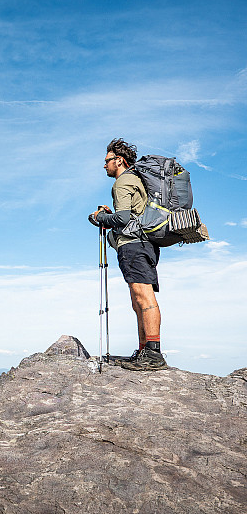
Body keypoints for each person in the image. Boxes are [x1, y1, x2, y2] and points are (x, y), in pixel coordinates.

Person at [90, 139, 167, 371]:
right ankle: (145, 350)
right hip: (143, 244)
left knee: (142, 296)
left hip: (134, 246)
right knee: (138, 299)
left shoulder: (123, 182)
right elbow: (129, 216)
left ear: (119, 161)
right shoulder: (133, 181)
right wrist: (109, 215)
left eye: (107, 161)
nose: (104, 166)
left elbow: (122, 220)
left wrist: (98, 219)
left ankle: (153, 354)